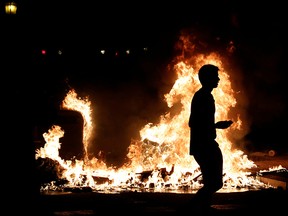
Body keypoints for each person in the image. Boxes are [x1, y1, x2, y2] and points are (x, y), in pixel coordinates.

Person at [188, 64, 233, 210]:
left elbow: (199, 122)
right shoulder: (202, 97)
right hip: (203, 145)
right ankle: (193, 207)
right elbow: (193, 122)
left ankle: (201, 208)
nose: (218, 79)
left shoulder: (205, 96)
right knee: (214, 183)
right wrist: (216, 126)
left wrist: (214, 125)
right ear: (207, 79)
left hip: (205, 144)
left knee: (212, 183)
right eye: (215, 76)